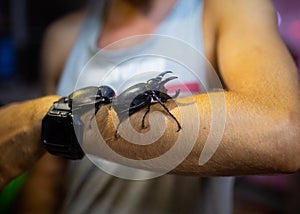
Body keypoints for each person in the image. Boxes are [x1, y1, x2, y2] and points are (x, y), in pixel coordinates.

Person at [3, 0, 300, 213]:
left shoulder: (226, 9)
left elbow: (284, 133)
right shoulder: (63, 37)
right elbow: (49, 172)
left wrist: (52, 121)